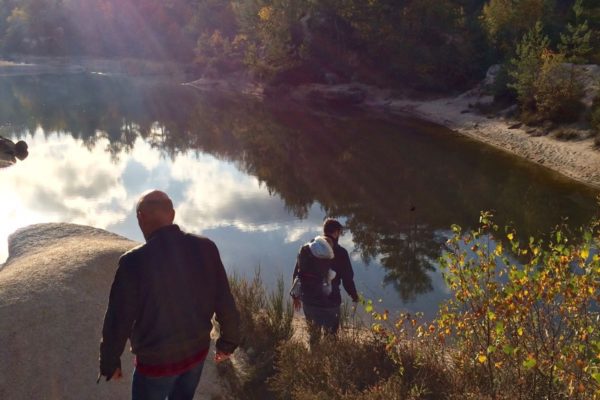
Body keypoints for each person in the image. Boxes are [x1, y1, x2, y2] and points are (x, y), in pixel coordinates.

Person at [99, 190, 240, 400]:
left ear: (140, 218)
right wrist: (228, 343)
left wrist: (109, 362)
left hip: (156, 365)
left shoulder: (133, 262)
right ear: (172, 215)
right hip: (196, 354)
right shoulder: (206, 248)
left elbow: (119, 319)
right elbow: (225, 301)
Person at [292, 218, 359, 346]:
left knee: (313, 336)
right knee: (331, 338)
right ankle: (328, 364)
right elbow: (347, 279)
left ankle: (313, 362)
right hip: (331, 302)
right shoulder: (341, 252)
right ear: (336, 232)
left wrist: (295, 295)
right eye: (340, 232)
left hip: (309, 300)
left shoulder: (307, 248)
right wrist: (354, 296)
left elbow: (297, 273)